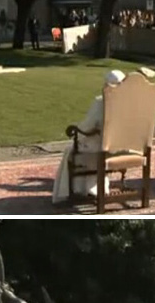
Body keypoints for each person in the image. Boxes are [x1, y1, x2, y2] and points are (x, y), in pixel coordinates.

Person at [52, 67, 126, 202]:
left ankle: (74, 191)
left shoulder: (101, 102)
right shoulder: (131, 103)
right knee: (91, 147)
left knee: (73, 150)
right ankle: (94, 188)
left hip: (102, 147)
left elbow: (88, 127)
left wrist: (77, 132)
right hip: (124, 147)